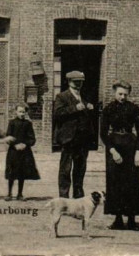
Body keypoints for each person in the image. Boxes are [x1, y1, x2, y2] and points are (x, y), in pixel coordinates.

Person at [100, 81, 139, 230]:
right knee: (115, 182)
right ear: (114, 93)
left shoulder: (134, 109)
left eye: (125, 94)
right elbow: (103, 133)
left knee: (132, 182)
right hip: (114, 147)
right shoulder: (108, 109)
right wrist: (112, 151)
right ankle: (118, 218)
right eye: (120, 94)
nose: (123, 97)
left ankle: (131, 219)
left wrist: (138, 152)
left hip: (130, 146)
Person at [54, 70, 94, 199]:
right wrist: (75, 108)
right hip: (68, 138)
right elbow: (58, 113)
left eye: (80, 82)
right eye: (75, 82)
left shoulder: (84, 96)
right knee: (66, 169)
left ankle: (78, 194)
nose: (78, 85)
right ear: (69, 82)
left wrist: (89, 107)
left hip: (82, 139)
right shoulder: (62, 96)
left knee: (80, 168)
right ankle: (63, 196)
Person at [5, 104, 40, 201]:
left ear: (26, 112)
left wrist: (25, 144)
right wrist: (14, 144)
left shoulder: (28, 124)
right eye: (20, 111)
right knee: (11, 173)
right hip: (13, 151)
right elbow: (8, 136)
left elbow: (32, 139)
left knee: (22, 173)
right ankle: (9, 193)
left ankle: (19, 194)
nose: (21, 114)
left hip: (25, 153)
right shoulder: (11, 123)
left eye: (23, 112)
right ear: (16, 112)